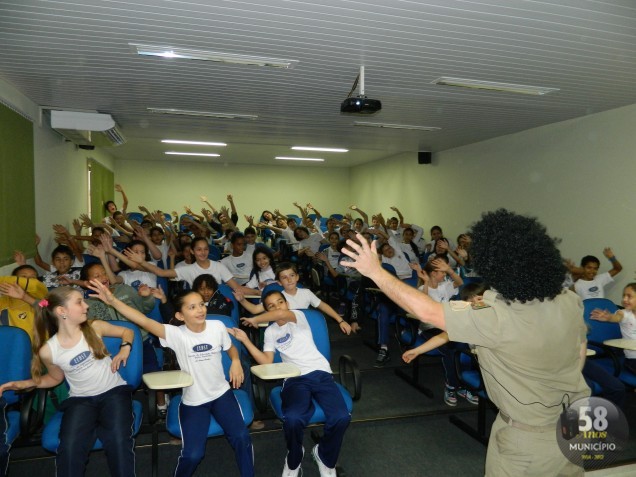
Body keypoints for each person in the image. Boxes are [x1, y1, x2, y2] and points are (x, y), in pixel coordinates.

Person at [341, 209, 590, 476]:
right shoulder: (568, 300)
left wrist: (375, 271)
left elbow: (428, 313)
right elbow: (579, 351)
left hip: (529, 440)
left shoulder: (495, 318)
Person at [87, 280, 254, 477]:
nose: (200, 310)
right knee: (193, 454)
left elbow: (231, 348)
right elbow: (143, 321)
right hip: (195, 402)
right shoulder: (176, 334)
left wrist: (235, 361)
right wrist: (113, 300)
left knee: (242, 437)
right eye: (192, 307)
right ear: (180, 316)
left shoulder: (217, 326)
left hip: (222, 394)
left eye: (201, 304)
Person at [0, 287, 136, 477]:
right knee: (70, 447)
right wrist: (26, 384)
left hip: (113, 392)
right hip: (81, 400)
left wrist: (125, 348)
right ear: (61, 311)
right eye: (79, 302)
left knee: (117, 440)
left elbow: (127, 331)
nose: (86, 306)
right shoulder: (48, 350)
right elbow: (55, 378)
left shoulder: (94, 327)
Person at [233, 290, 351, 477]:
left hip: (320, 373)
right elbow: (266, 361)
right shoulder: (271, 331)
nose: (278, 307)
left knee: (341, 416)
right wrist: (246, 340)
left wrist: (256, 319)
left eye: (280, 302)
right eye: (271, 305)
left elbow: (280, 314)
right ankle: (294, 457)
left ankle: (324, 456)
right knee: (293, 418)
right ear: (266, 309)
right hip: (294, 378)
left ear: (287, 304)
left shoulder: (298, 316)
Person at [235, 263, 352, 336]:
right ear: (279, 282)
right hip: (284, 332)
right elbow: (255, 309)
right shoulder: (277, 297)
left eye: (291, 275)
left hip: (304, 331)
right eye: (284, 278)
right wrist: (242, 300)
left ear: (297, 277)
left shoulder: (306, 293)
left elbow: (323, 306)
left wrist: (340, 320)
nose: (289, 279)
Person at [590, 283, 636, 375]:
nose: (624, 299)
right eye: (624, 296)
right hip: (632, 359)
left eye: (629, 296)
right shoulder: (624, 313)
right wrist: (609, 317)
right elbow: (617, 317)